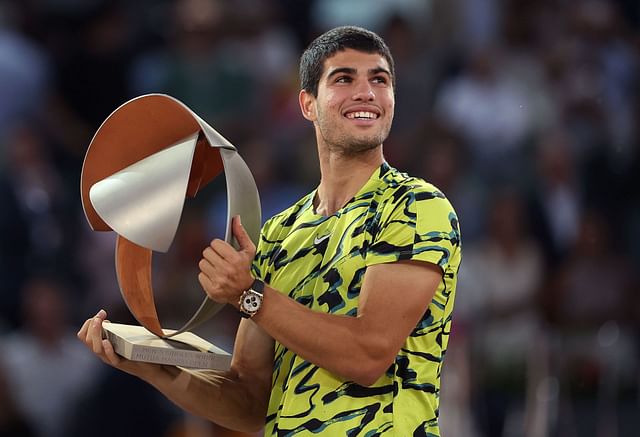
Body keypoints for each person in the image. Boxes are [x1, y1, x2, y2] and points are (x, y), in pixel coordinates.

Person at [78, 25, 462, 436]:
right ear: (308, 104)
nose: (366, 92)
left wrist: (249, 294)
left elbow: (367, 355)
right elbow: (249, 402)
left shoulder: (416, 206)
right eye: (344, 78)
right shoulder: (279, 231)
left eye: (379, 79)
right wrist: (151, 367)